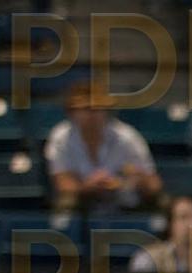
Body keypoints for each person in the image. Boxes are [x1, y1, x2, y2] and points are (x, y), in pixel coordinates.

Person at [45, 82, 161, 212]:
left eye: (98, 109)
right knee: (66, 202)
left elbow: (153, 184)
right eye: (86, 109)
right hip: (82, 199)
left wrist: (132, 181)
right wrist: (88, 187)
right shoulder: (61, 137)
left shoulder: (127, 137)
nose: (92, 115)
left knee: (159, 203)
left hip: (124, 200)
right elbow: (63, 183)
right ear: (71, 112)